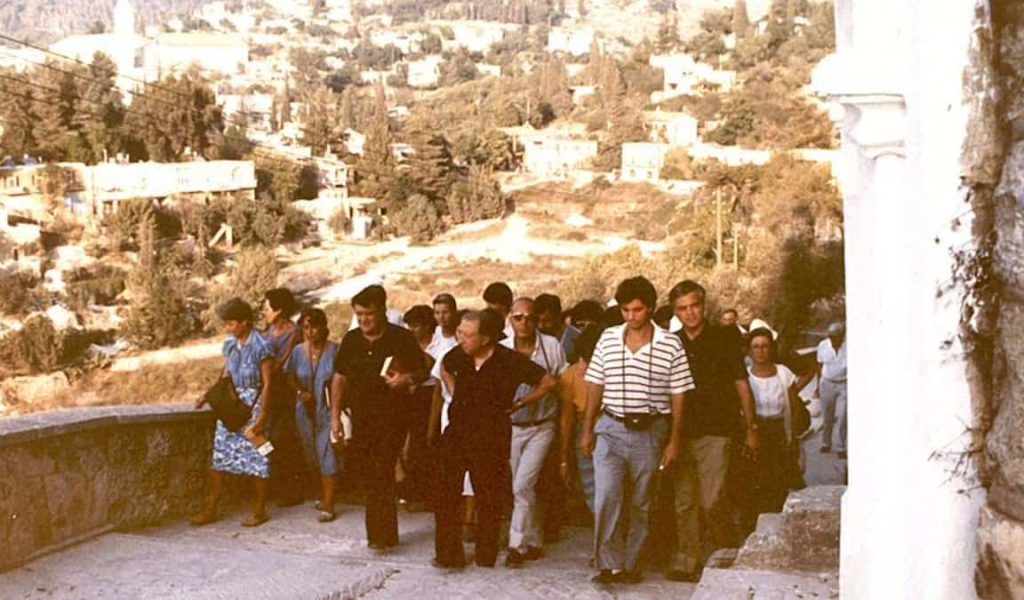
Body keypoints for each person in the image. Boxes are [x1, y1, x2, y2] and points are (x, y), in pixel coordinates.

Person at [581, 277, 693, 585]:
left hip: (650, 432)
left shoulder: (670, 343)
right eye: (625, 310)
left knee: (642, 501)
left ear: (652, 308)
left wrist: (674, 440)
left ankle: (630, 564)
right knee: (607, 497)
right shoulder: (607, 337)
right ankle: (607, 563)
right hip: (610, 429)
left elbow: (679, 394)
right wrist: (588, 429)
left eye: (637, 309)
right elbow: (595, 384)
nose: (631, 316)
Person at [434, 309, 557, 569]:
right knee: (445, 493)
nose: (461, 339)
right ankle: (448, 555)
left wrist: (520, 403)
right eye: (459, 333)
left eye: (468, 335)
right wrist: (456, 392)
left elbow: (548, 382)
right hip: (457, 433)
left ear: (486, 338)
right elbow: (445, 366)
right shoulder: (460, 354)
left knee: (488, 497)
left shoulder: (509, 360)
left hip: (491, 436)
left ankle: (485, 555)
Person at [666, 280, 758, 583]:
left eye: (694, 306)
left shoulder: (724, 339)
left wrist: (751, 427)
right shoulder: (670, 342)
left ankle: (722, 551)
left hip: (717, 431)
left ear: (704, 305)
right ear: (675, 312)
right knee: (684, 500)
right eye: (682, 308)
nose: (690, 313)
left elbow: (741, 384)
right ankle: (688, 558)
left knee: (712, 498)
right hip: (680, 432)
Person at [330, 285, 428, 550]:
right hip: (362, 419)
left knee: (381, 471)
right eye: (359, 314)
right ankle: (383, 534)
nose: (364, 320)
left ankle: (380, 537)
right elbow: (340, 378)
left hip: (394, 417)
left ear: (383, 311)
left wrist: (406, 379)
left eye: (369, 314)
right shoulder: (351, 340)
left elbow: (423, 370)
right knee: (373, 475)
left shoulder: (401, 337)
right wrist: (335, 417)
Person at [191, 298, 276, 527]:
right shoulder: (231, 345)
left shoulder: (262, 346)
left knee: (260, 456)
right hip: (232, 406)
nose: (227, 328)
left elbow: (269, 383)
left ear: (245, 322)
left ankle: (259, 510)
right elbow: (225, 374)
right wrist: (208, 395)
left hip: (254, 405)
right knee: (220, 456)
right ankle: (211, 508)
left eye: (231, 323)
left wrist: (263, 417)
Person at [501, 298, 568, 568]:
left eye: (529, 317)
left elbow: (560, 385)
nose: (524, 323)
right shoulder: (503, 348)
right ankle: (534, 539)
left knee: (522, 485)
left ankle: (516, 546)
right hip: (513, 427)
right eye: (518, 317)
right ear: (510, 320)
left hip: (542, 424)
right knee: (523, 485)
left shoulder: (551, 346)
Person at [739, 328, 814, 532]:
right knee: (754, 481)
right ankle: (753, 528)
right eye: (756, 347)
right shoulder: (744, 376)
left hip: (778, 430)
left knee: (778, 480)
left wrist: (793, 437)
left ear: (771, 349)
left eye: (765, 346)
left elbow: (793, 406)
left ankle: (779, 527)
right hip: (755, 431)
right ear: (749, 351)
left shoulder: (783, 373)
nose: (761, 351)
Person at [283, 308, 340, 522]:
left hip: (327, 409)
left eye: (314, 326)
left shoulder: (335, 350)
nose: (310, 332)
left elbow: (343, 379)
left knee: (327, 453)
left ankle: (329, 504)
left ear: (324, 327)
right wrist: (300, 391)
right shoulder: (298, 351)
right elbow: (290, 376)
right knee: (312, 453)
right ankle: (321, 495)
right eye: (306, 327)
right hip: (304, 411)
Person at [262, 288, 305, 507]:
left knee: (283, 439)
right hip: (269, 392)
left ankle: (291, 490)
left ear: (278, 310)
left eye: (267, 307)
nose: (264, 311)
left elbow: (287, 365)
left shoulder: (294, 333)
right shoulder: (265, 332)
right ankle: (275, 487)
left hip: (286, 392)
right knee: (268, 440)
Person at [557, 324, 602, 514]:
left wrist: (564, 458)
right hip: (592, 428)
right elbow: (566, 419)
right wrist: (564, 457)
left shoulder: (572, 373)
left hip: (590, 428)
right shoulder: (571, 375)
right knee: (596, 482)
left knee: (592, 482)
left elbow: (567, 419)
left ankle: (602, 522)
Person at [399, 304, 440, 509]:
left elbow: (434, 368)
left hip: (431, 394)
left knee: (426, 445)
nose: (411, 330)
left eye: (415, 326)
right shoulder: (407, 344)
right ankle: (413, 492)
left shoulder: (438, 343)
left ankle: (426, 496)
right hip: (411, 394)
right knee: (410, 446)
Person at [817, 322, 848, 459]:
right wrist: (818, 386)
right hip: (826, 383)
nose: (833, 339)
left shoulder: (849, 346)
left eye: (836, 336)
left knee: (842, 417)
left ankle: (840, 446)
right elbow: (818, 365)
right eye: (830, 336)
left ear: (842, 336)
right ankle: (826, 443)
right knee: (827, 416)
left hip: (844, 384)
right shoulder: (823, 345)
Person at [536, 293, 581, 364]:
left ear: (558, 317)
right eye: (537, 320)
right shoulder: (535, 337)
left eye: (546, 321)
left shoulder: (576, 338)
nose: (540, 326)